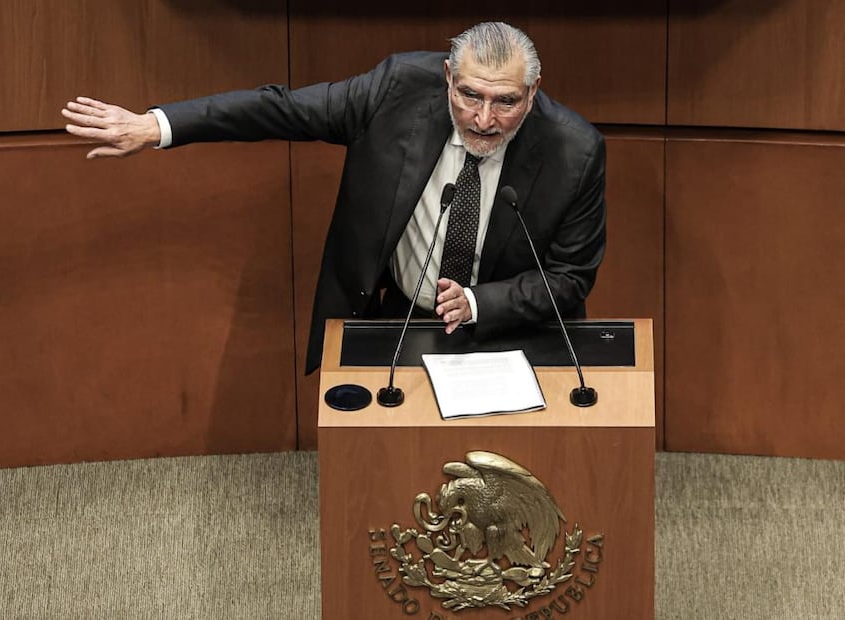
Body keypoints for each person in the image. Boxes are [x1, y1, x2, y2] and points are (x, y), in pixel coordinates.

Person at [62, 22, 606, 374]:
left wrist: (480, 303)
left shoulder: (574, 152)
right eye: (469, 96)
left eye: (505, 102)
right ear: (446, 79)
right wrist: (157, 127)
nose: (484, 120)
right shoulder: (395, 90)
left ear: (533, 93)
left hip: (510, 330)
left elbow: (569, 277)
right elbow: (280, 109)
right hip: (396, 313)